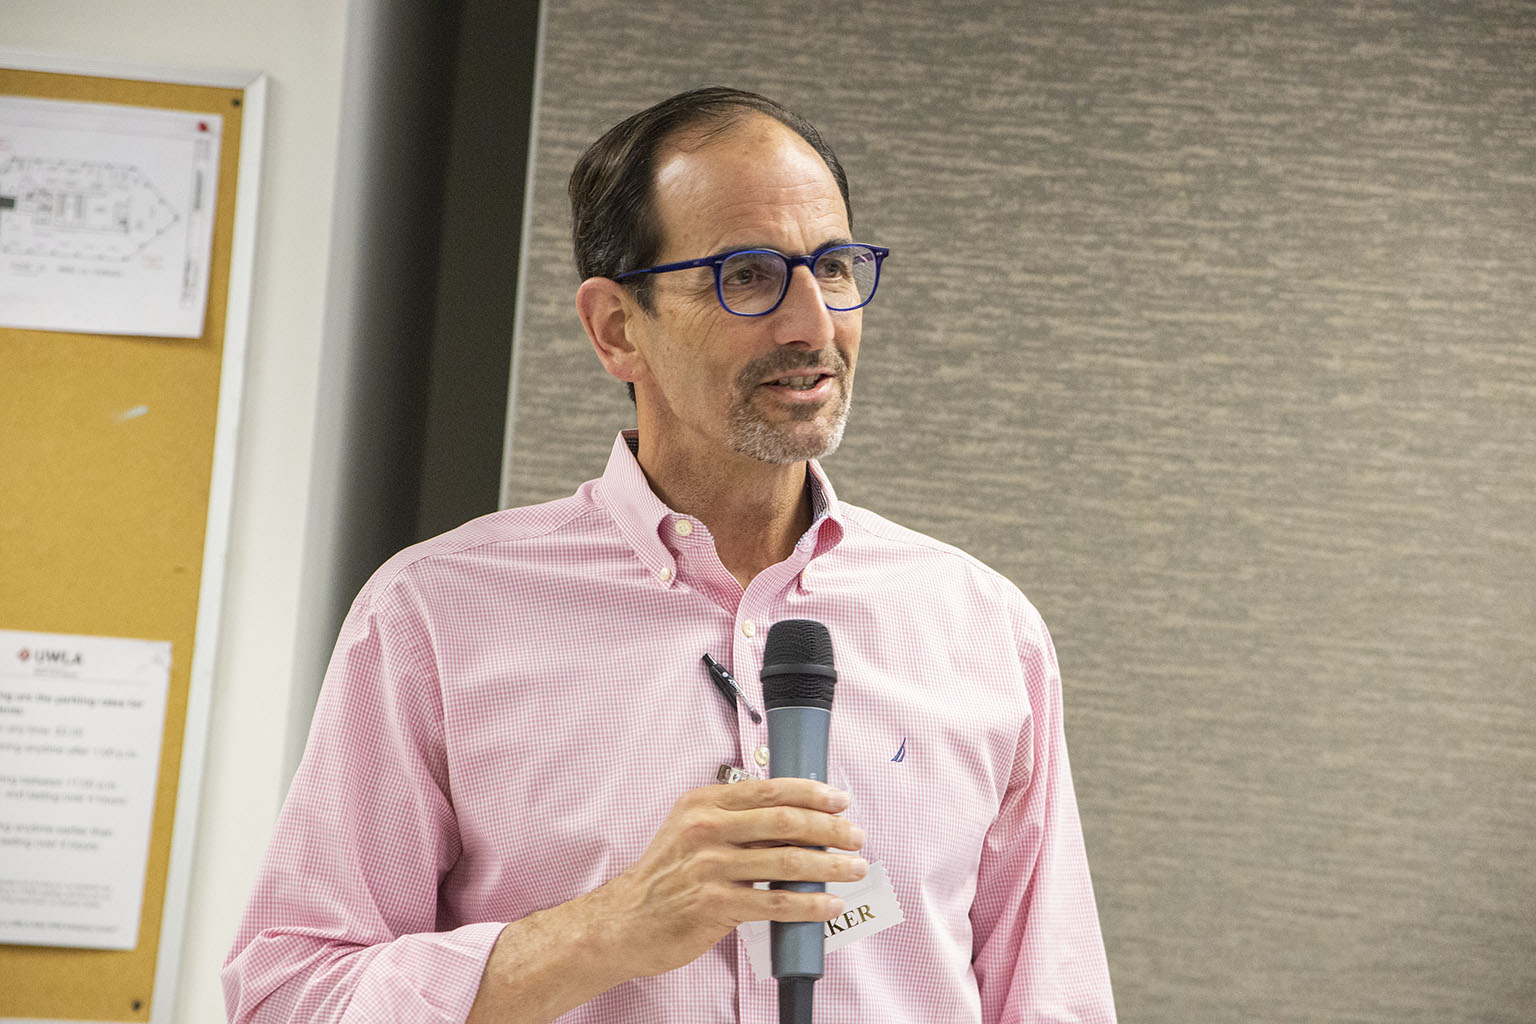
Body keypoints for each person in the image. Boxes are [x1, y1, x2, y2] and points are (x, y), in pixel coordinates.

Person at [224, 87, 1116, 1024]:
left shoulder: (983, 628)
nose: (814, 325)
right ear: (617, 328)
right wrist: (606, 930)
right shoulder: (436, 614)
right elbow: (288, 997)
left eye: (833, 267)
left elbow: (1051, 1001)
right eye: (747, 275)